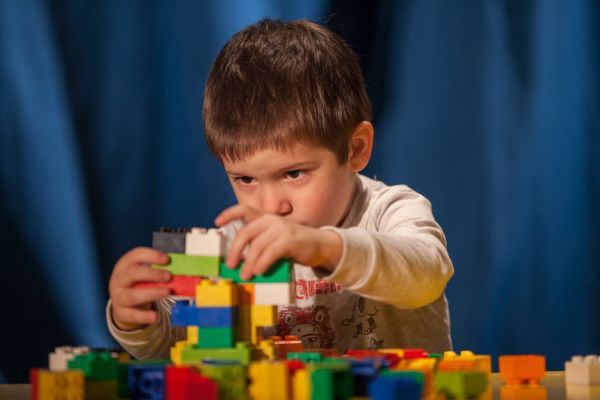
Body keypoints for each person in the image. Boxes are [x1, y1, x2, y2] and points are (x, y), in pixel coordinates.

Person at [106, 18, 454, 359]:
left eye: (293, 173)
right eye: (245, 179)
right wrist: (139, 316)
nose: (271, 206)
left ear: (356, 148)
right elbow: (187, 341)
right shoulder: (238, 243)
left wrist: (324, 248)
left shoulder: (391, 210)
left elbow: (426, 273)